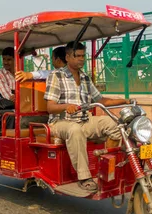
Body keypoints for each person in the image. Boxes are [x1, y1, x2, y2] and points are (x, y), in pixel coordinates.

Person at [44, 41, 131, 192]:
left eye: (83, 56)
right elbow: (50, 107)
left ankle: (107, 167)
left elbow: (100, 100)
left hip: (84, 120)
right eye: (77, 56)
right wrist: (66, 106)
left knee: (114, 124)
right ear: (68, 57)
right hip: (60, 122)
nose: (81, 59)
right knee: (75, 129)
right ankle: (84, 177)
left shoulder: (85, 77)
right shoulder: (56, 76)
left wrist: (124, 101)